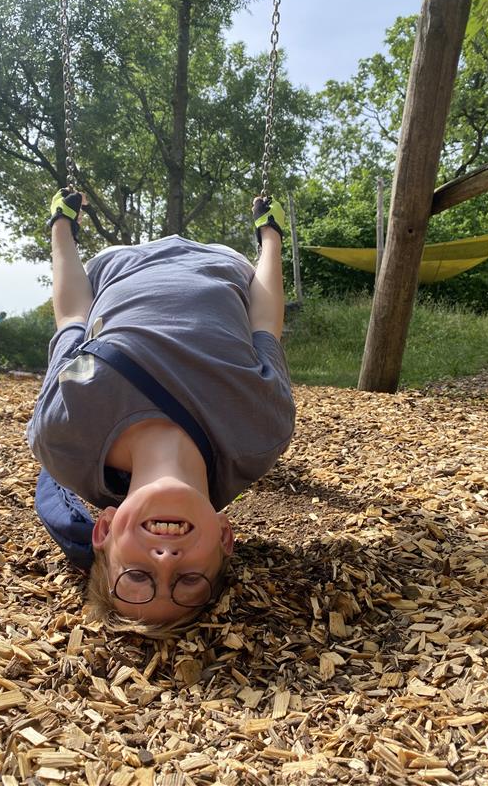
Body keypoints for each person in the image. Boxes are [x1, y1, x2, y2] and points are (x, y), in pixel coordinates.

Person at [27, 189, 295, 632]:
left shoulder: (65, 432)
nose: (166, 560)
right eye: (189, 580)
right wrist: (270, 236)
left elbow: (72, 318)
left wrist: (62, 227)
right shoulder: (260, 432)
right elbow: (265, 324)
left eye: (137, 576)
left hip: (116, 267)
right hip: (223, 263)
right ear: (225, 537)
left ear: (103, 531)